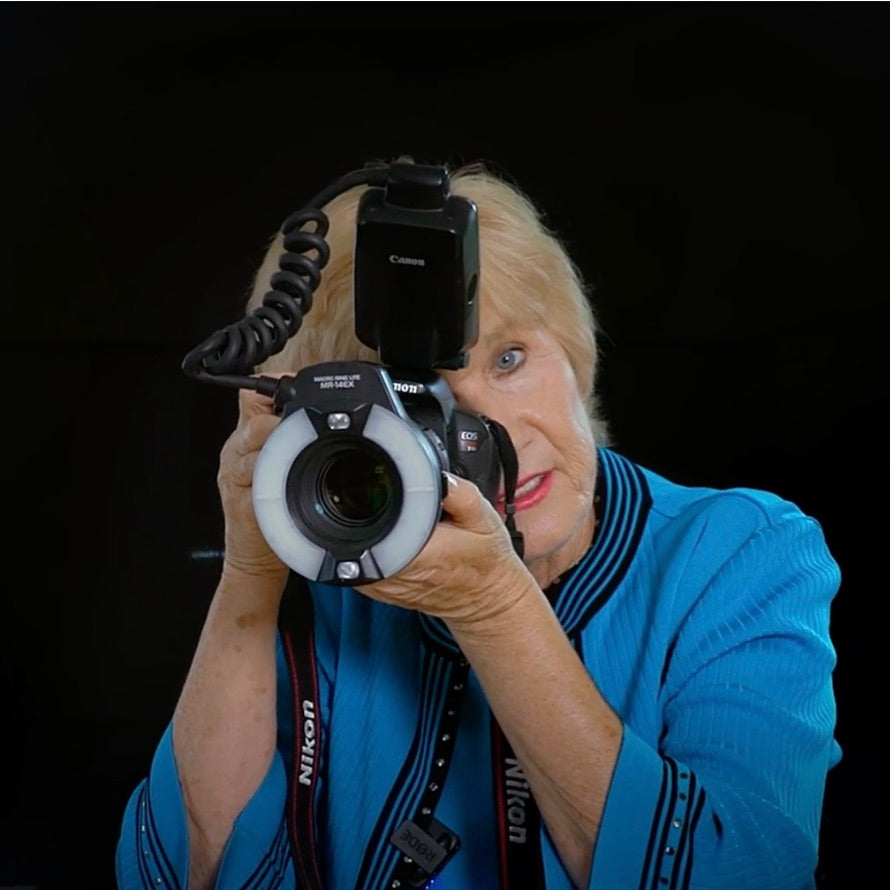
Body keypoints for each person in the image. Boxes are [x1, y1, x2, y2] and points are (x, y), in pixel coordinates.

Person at [115, 159, 841, 890]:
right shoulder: (333, 571)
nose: (492, 433)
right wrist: (252, 570)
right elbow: (184, 877)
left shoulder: (739, 552)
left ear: (574, 352)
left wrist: (492, 607)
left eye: (511, 358)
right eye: (419, 405)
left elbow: (741, 874)